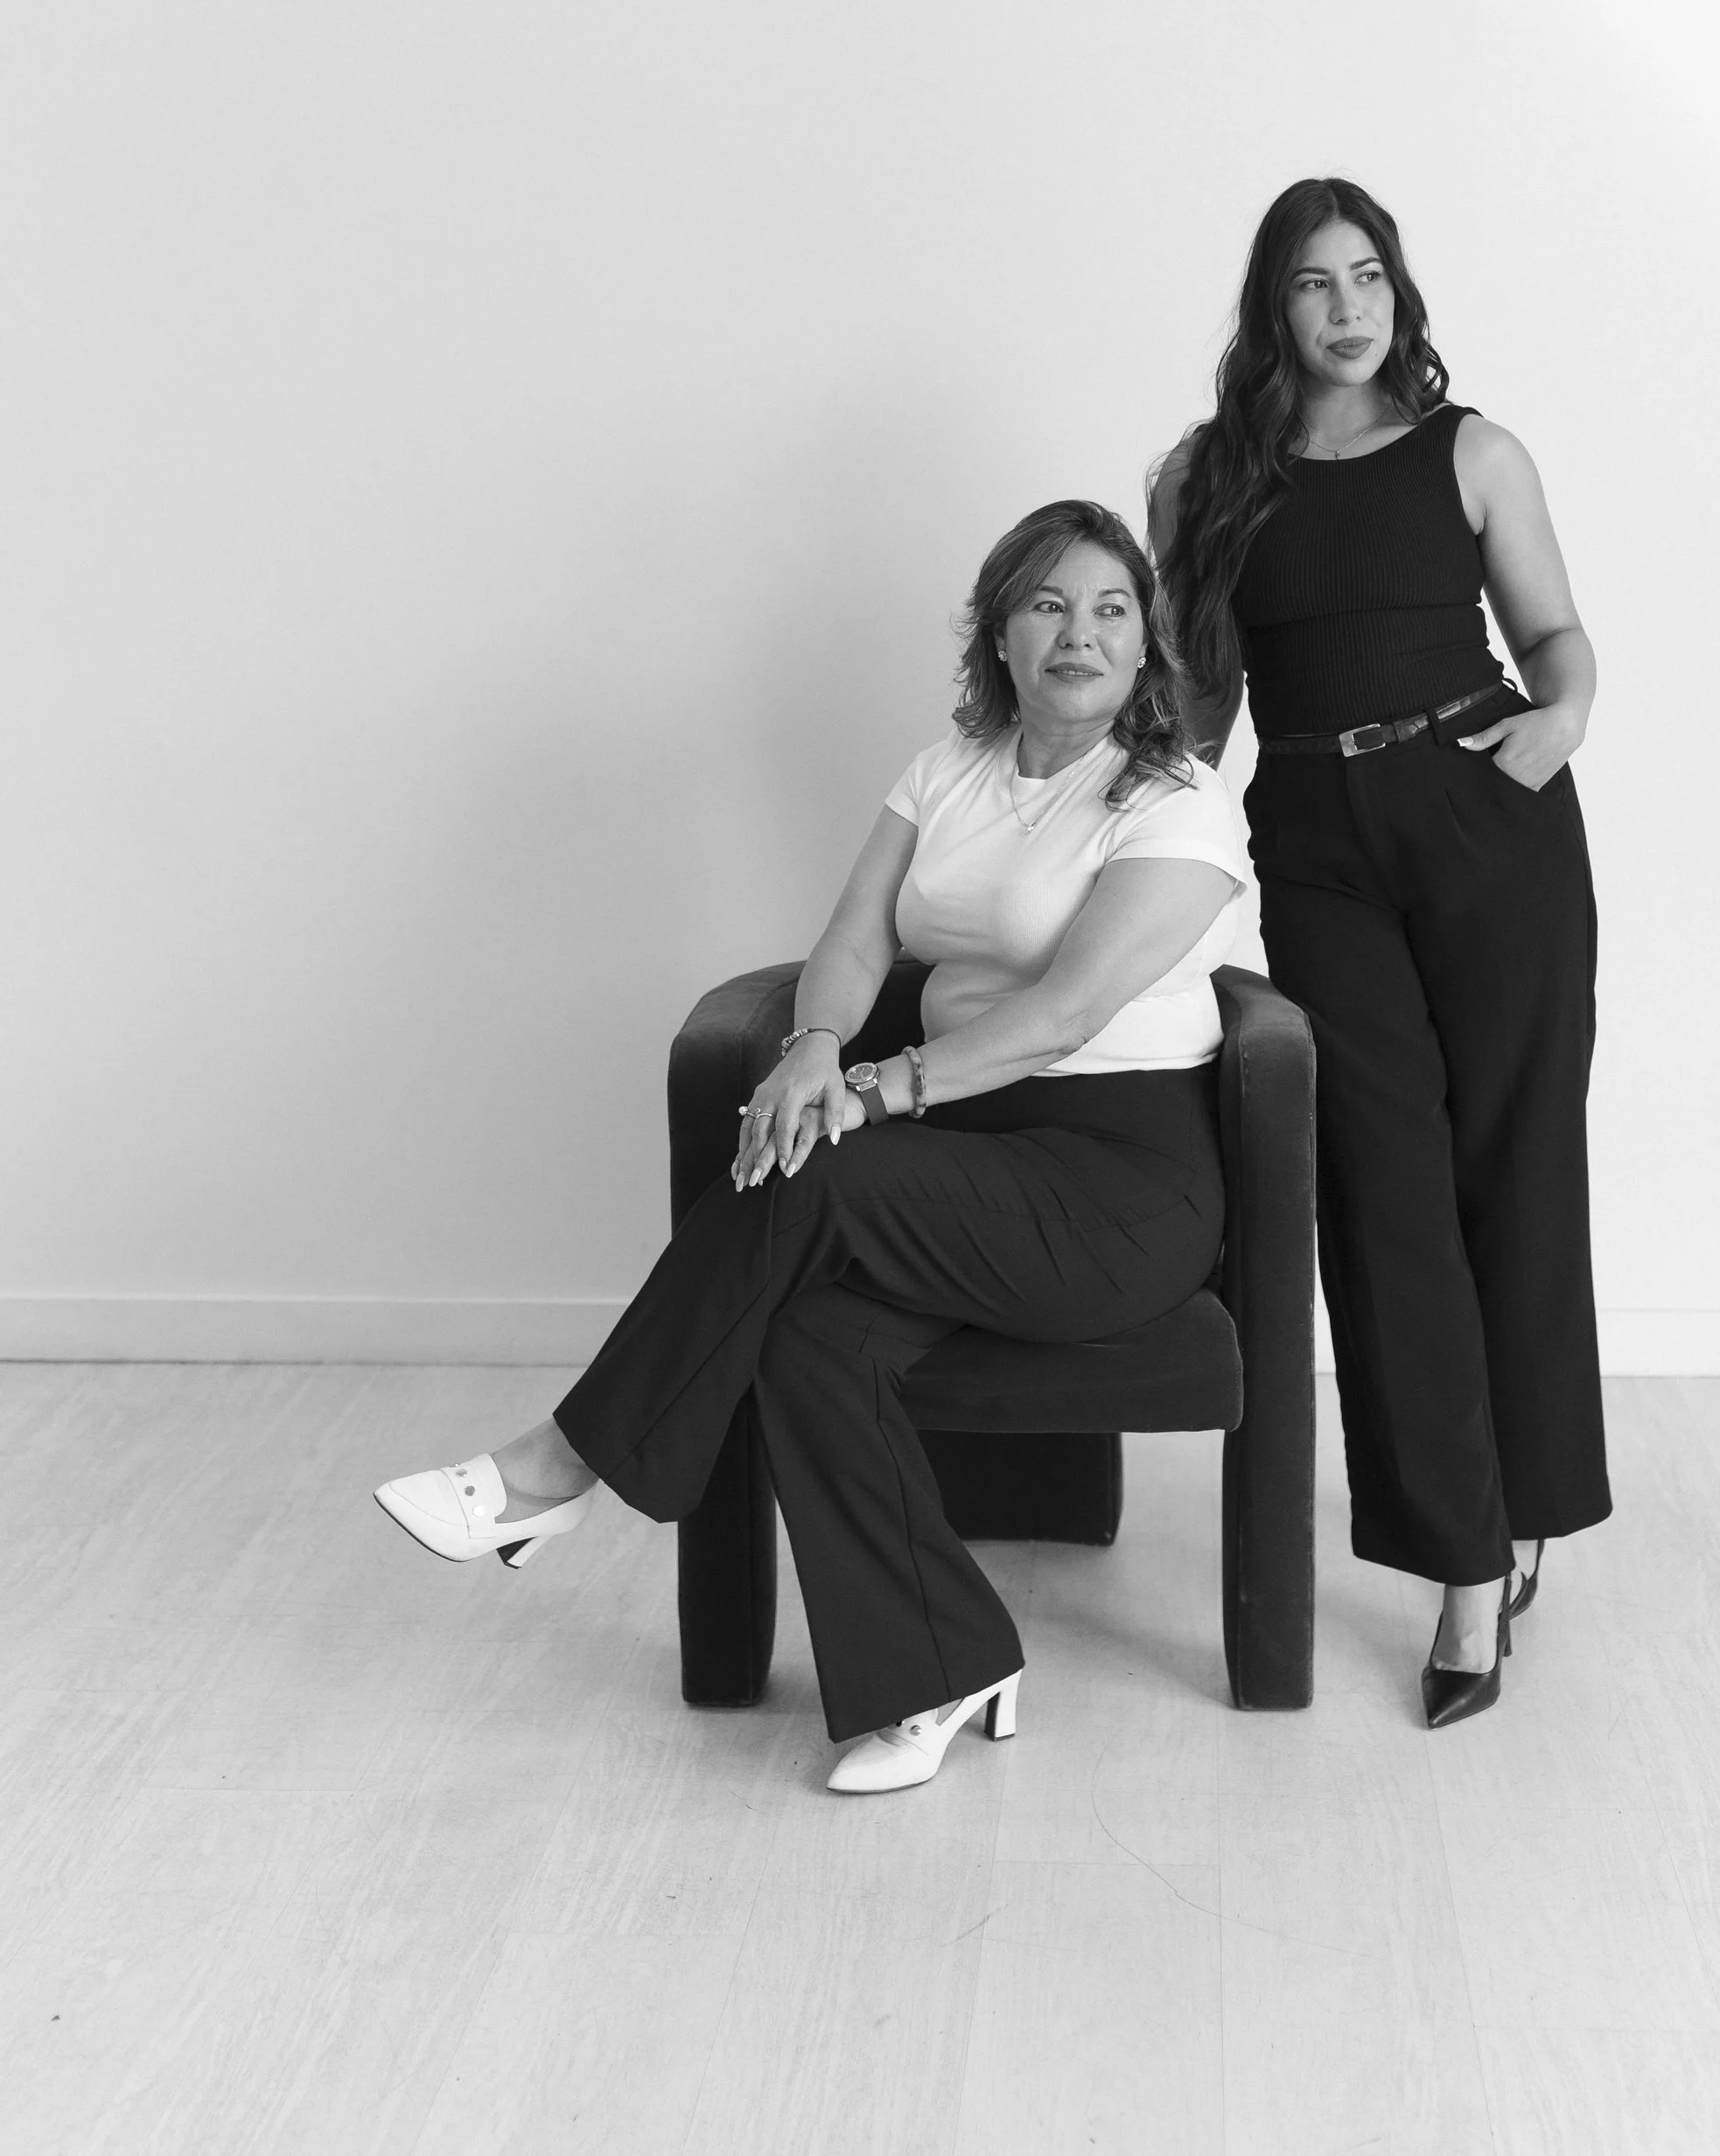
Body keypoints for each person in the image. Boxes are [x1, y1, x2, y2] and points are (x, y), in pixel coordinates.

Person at [374, 500, 1245, 1792]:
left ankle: (557, 1468)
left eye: (1112, 607)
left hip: (1115, 1186)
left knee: (819, 1166)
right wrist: (814, 1045)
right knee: (806, 1327)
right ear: (999, 632)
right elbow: (853, 939)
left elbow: (1065, 1011)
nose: (1081, 632)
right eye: (1049, 604)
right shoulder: (948, 767)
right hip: (965, 1156)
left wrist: (881, 1089)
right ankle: (946, 1662)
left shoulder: (1175, 801)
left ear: (1146, 643)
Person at [1150, 177, 1608, 1727]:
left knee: (1516, 1162)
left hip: (1488, 815)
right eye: (1311, 282)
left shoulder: (1473, 450)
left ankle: (1505, 1537)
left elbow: (1559, 643)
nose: (1348, 307)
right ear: (1268, 307)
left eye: (1369, 277)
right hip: (1321, 844)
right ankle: (1464, 1548)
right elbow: (1200, 717)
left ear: (1399, 293)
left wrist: (1550, 733)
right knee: (1382, 1186)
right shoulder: (1208, 482)